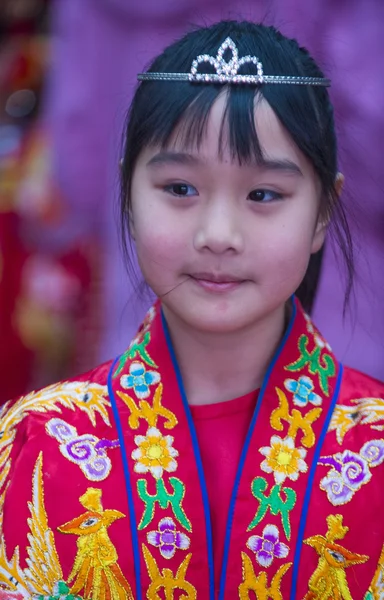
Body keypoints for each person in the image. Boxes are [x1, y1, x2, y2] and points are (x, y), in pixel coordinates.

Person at [0, 20, 383, 600]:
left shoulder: (374, 452)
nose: (218, 233)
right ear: (127, 193)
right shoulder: (37, 445)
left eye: (263, 195)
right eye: (180, 189)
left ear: (323, 214)